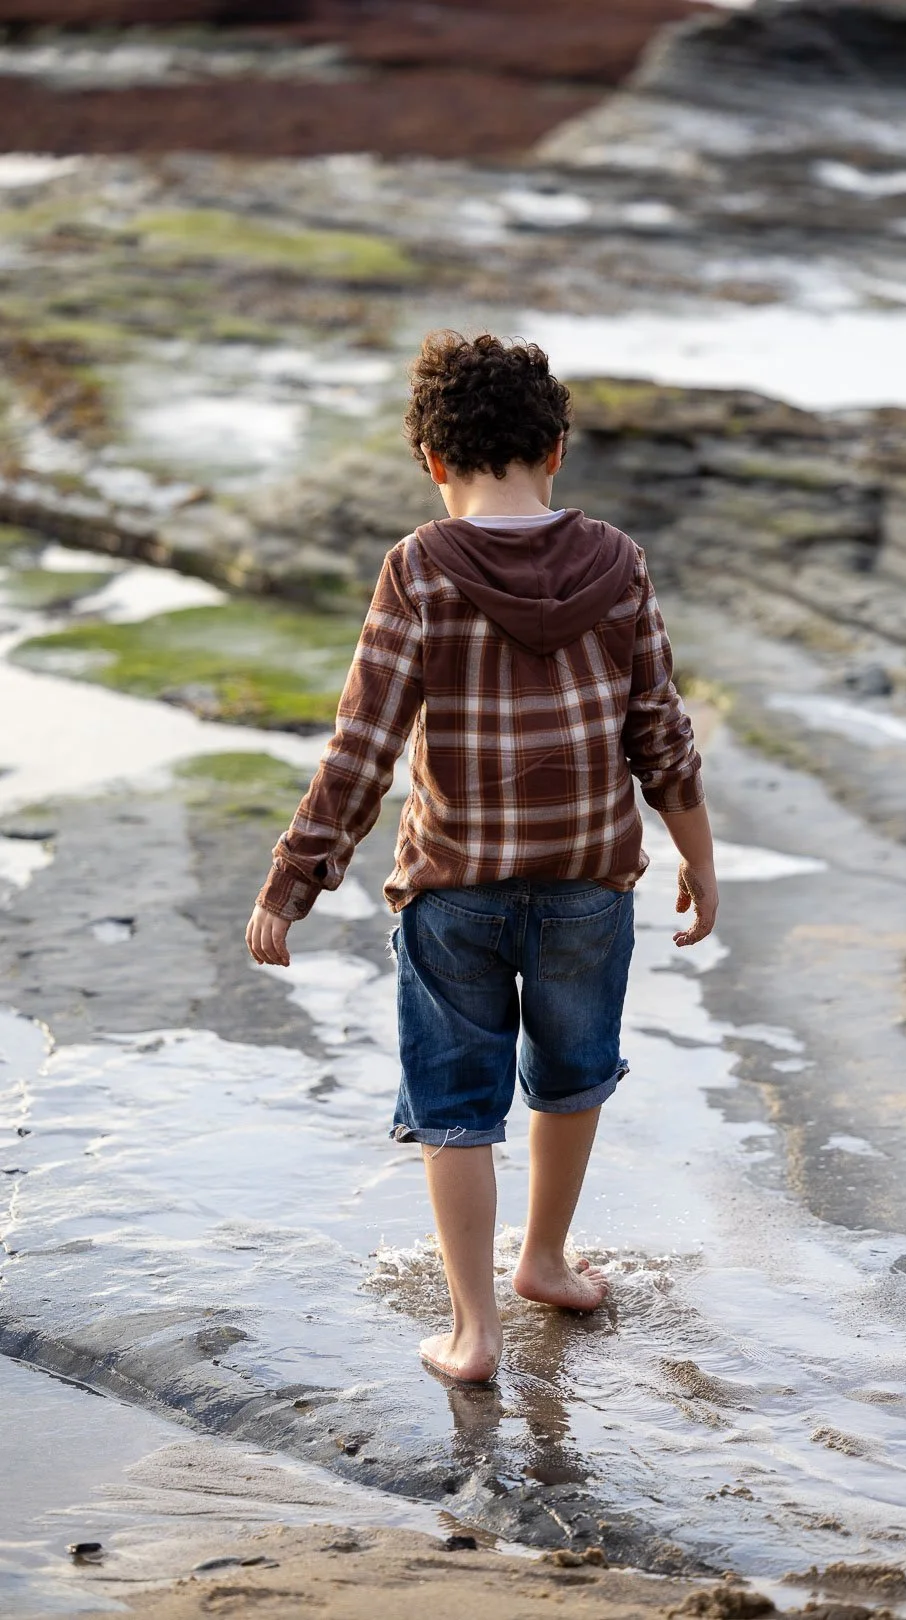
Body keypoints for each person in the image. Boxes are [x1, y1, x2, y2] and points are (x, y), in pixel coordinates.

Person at [246, 332, 718, 1384]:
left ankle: (473, 1333)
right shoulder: (618, 562)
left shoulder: (420, 568)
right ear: (557, 447)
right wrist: (700, 857)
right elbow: (662, 730)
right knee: (572, 1075)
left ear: (429, 459)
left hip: (453, 889)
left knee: (456, 1104)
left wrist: (295, 878)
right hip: (590, 880)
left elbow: (363, 747)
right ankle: (544, 1260)